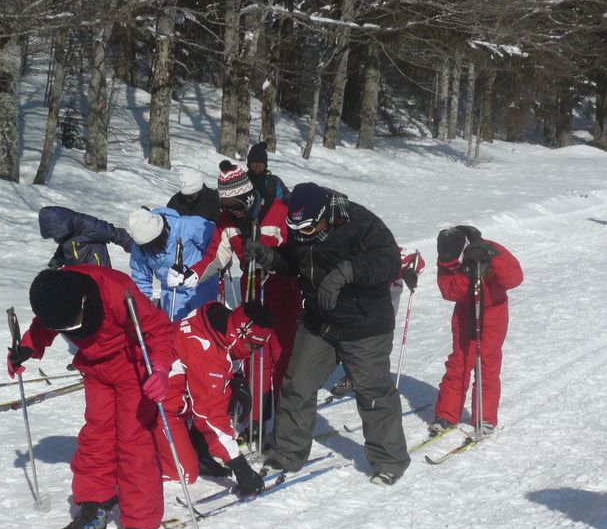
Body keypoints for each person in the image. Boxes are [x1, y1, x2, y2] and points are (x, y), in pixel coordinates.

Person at [247, 182, 410, 486]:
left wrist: (347, 272)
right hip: (320, 321)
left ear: (326, 214)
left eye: (309, 228)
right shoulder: (302, 228)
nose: (304, 235)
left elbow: (389, 261)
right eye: (299, 230)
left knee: (372, 393)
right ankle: (286, 452)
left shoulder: (360, 223)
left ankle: (389, 460)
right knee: (297, 385)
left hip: (364, 324)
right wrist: (269, 257)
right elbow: (295, 261)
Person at [7, 265, 174, 529]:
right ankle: (95, 504)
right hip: (96, 370)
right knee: (97, 434)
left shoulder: (117, 291)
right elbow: (44, 324)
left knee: (134, 438)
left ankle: (141, 518)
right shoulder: (58, 290)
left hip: (131, 367)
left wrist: (159, 369)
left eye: (69, 328)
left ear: (84, 303)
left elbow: (159, 329)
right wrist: (28, 347)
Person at [175, 161, 303, 442]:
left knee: (282, 358)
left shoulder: (278, 213)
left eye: (234, 205)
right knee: (254, 357)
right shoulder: (227, 222)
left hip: (281, 291)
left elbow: (296, 258)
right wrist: (192, 275)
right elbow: (216, 257)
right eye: (226, 206)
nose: (230, 212)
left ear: (247, 197)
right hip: (251, 291)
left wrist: (273, 261)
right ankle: (256, 422)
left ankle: (284, 424)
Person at [156, 301, 276, 495]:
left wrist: (237, 379)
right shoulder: (206, 350)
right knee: (185, 473)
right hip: (156, 406)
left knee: (221, 392)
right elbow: (211, 416)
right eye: (252, 346)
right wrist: (241, 468)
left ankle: (197, 447)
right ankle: (133, 466)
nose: (252, 352)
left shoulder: (220, 323)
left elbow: (226, 355)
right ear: (241, 333)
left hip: (176, 399)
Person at [429, 225, 523, 438]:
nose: (450, 266)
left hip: (493, 313)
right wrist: (465, 273)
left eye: (455, 262)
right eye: (448, 264)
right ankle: (447, 414)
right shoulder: (448, 256)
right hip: (465, 313)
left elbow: (514, 279)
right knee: (459, 362)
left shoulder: (490, 248)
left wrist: (493, 258)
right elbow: (450, 292)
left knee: (487, 363)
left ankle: (485, 416)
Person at [330, 247, 424, 397]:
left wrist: (408, 272)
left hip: (386, 305)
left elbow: (416, 260)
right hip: (360, 301)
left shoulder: (385, 246)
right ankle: (353, 376)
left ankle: (377, 379)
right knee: (355, 339)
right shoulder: (351, 249)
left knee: (379, 343)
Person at [127, 206, 216, 321]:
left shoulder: (184, 226)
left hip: (201, 285)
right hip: (172, 292)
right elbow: (141, 278)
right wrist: (141, 308)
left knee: (204, 325)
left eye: (154, 242)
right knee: (175, 331)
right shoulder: (140, 249)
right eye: (148, 245)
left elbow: (214, 243)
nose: (153, 247)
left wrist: (215, 266)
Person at [38, 206, 132, 268]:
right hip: (75, 273)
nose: (57, 238)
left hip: (97, 271)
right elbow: (65, 245)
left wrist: (136, 250)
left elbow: (116, 233)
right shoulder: (61, 232)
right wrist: (57, 260)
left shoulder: (89, 225)